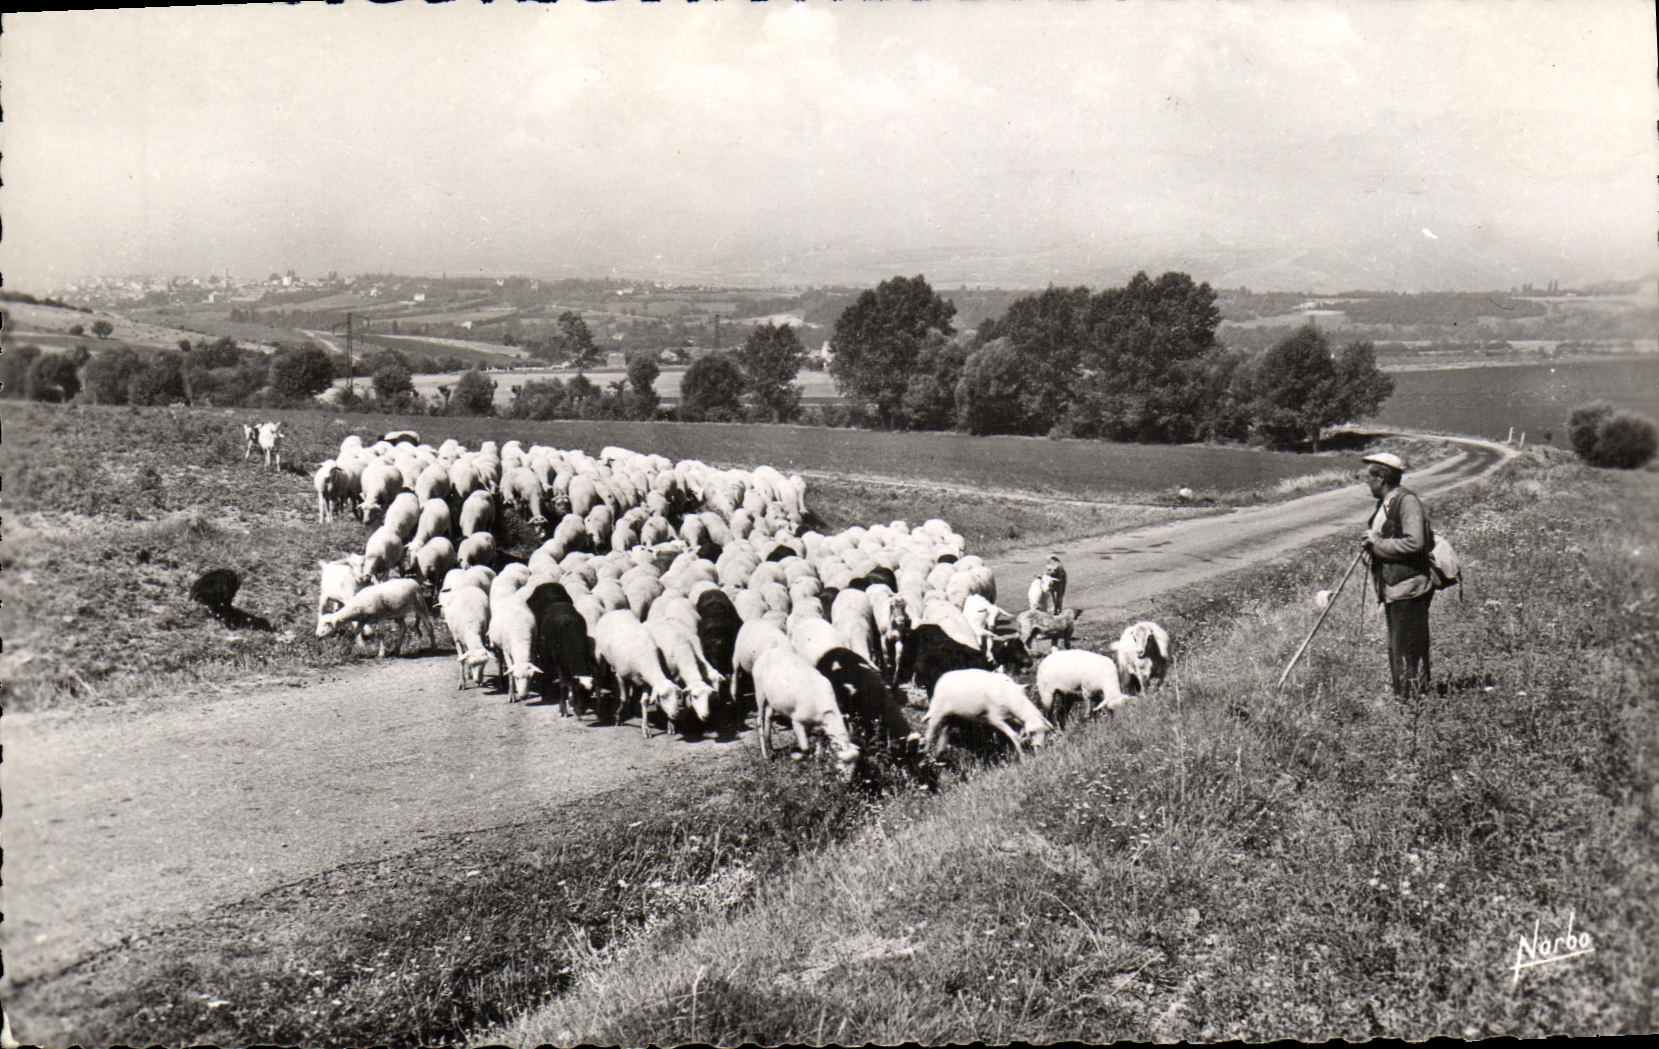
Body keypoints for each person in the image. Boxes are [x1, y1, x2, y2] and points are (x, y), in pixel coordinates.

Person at [1360, 452, 1434, 699]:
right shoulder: (1387, 503)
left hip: (1410, 586)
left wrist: (1377, 542)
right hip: (1395, 586)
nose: (1366, 483)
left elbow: (1415, 543)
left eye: (1368, 478)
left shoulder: (1407, 502)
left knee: (1408, 646)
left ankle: (1412, 700)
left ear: (1381, 478)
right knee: (1398, 646)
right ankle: (1405, 696)